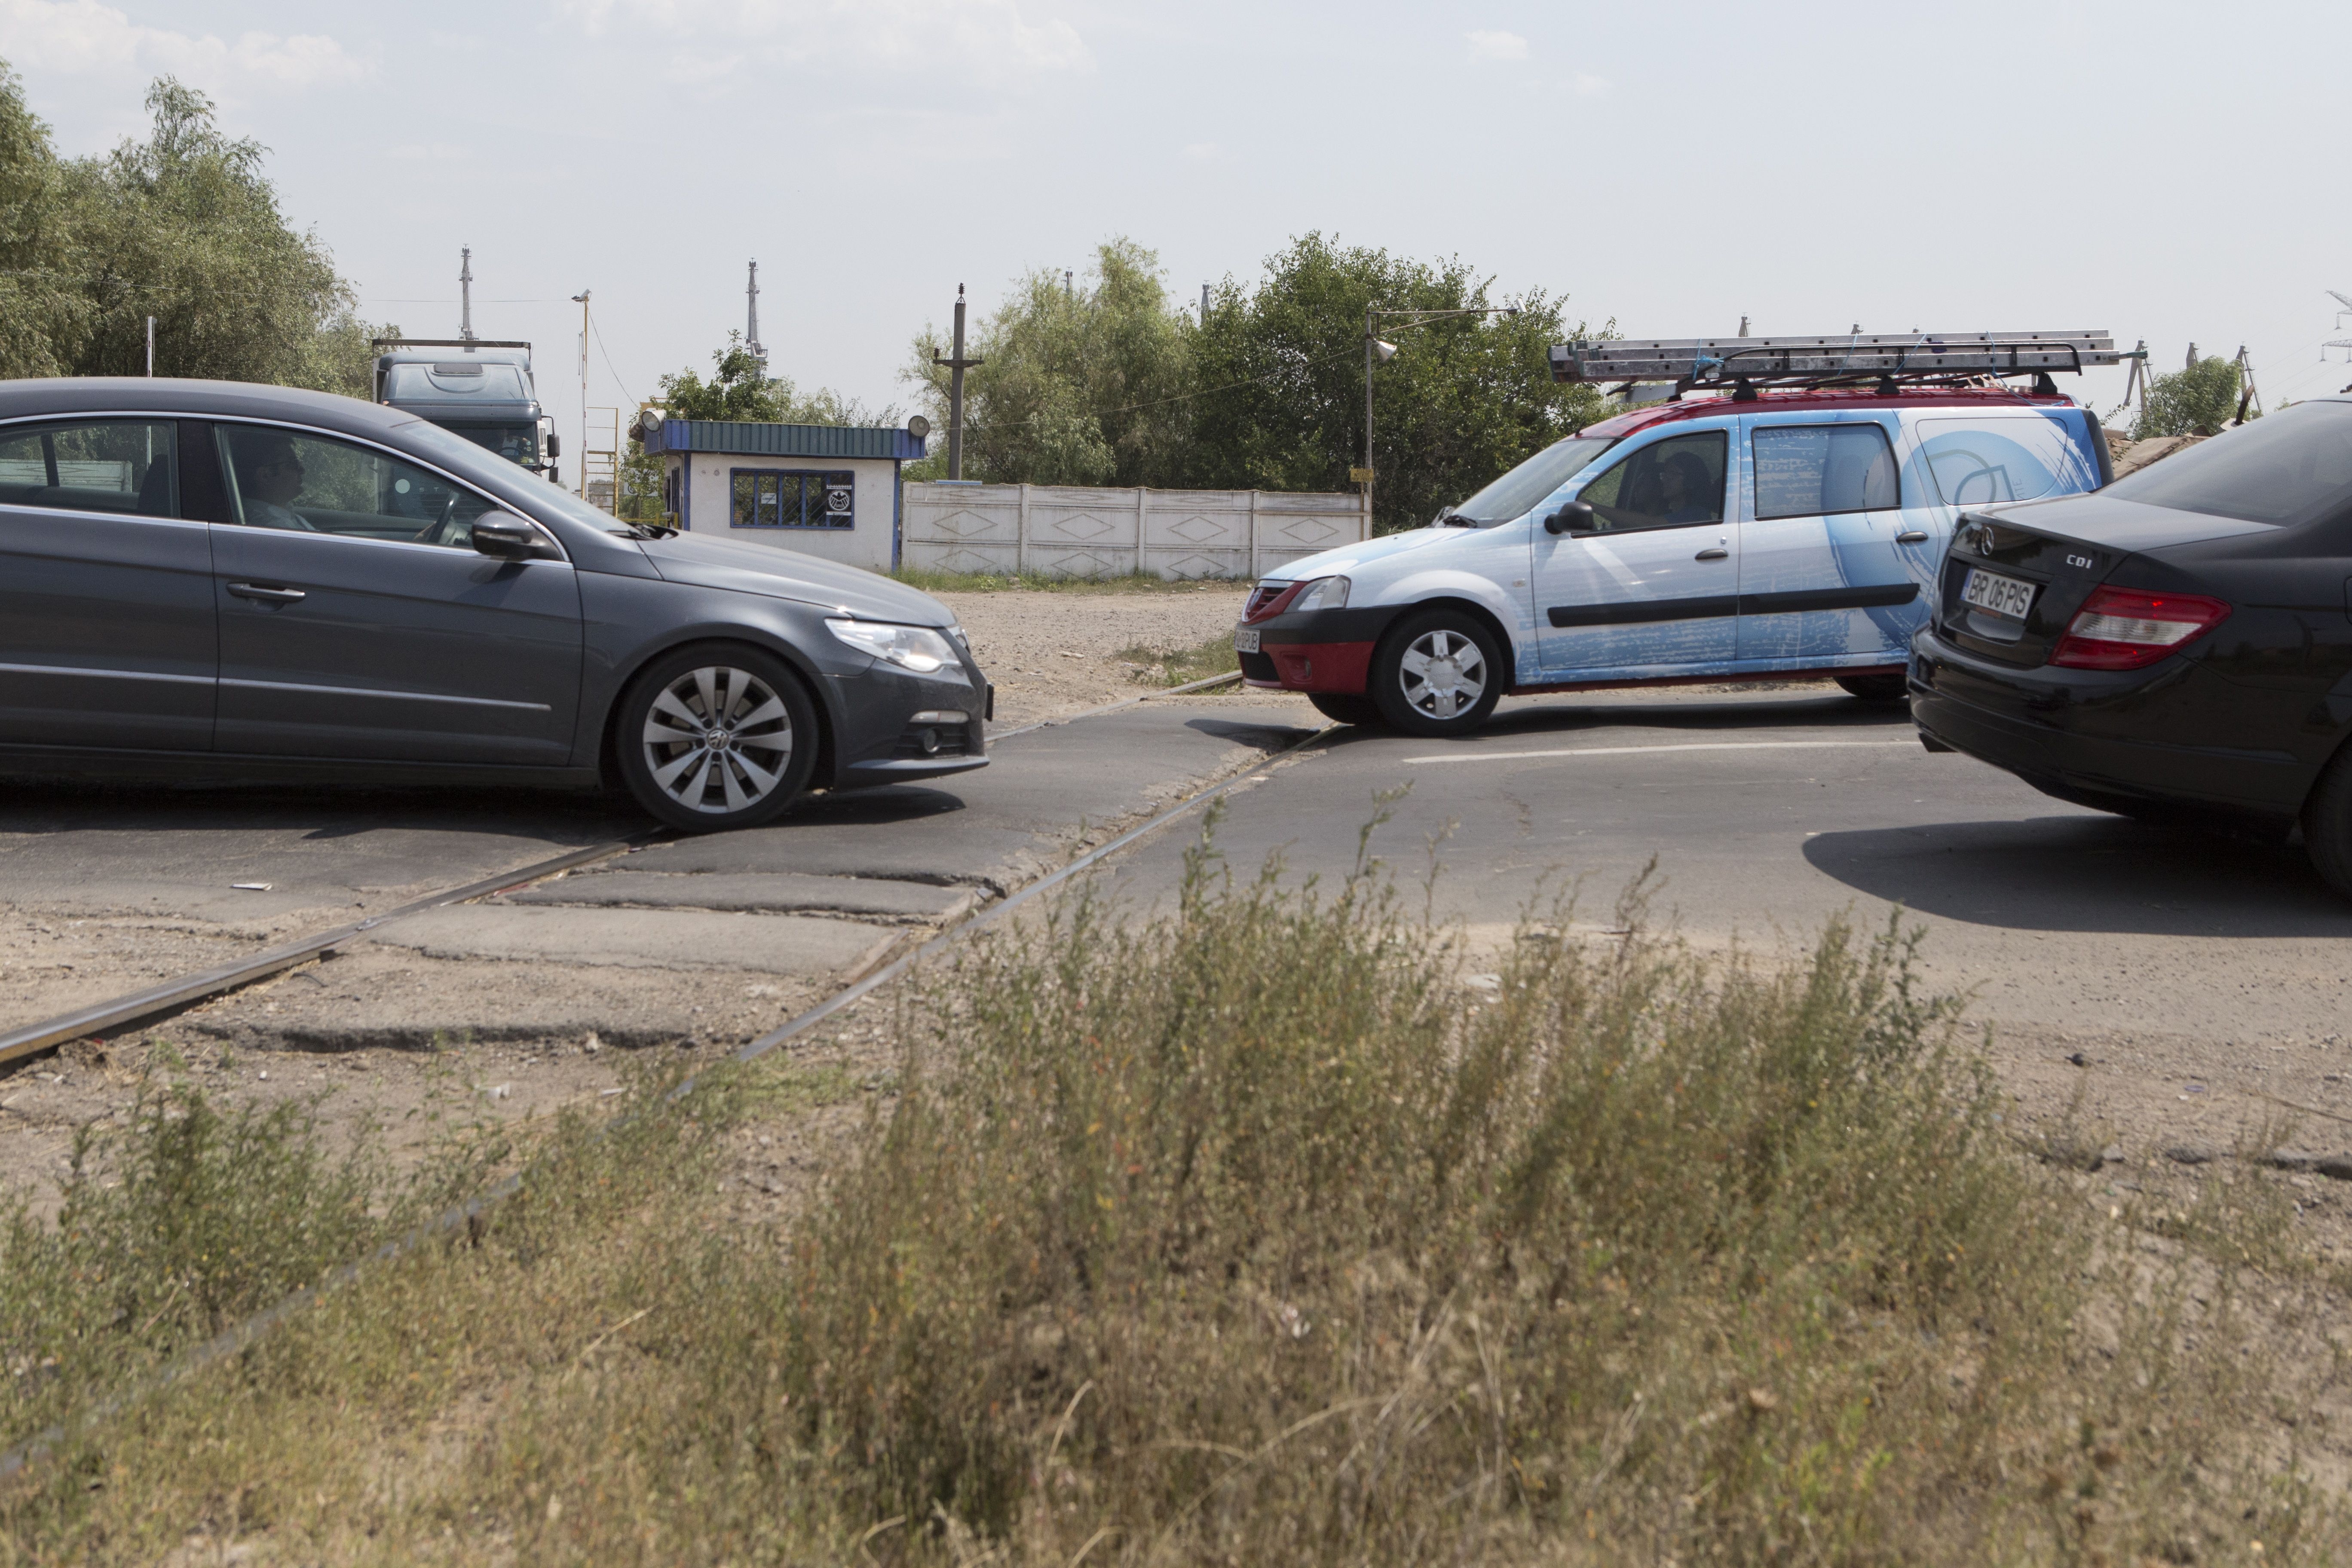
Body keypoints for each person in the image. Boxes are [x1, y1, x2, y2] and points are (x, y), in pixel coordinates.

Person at [230, 431, 313, 530]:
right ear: (265, 476)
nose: (302, 471)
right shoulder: (272, 527)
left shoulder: (280, 514)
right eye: (292, 464)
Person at [1657, 450, 1716, 525]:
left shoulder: (1697, 514)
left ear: (1691, 480)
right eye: (1665, 474)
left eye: (1673, 474)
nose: (1665, 480)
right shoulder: (1670, 512)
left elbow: (1653, 525)